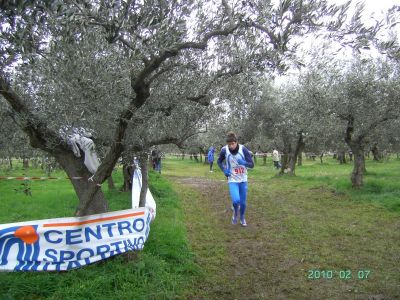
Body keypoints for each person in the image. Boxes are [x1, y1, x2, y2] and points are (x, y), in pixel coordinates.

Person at [217, 132, 254, 227]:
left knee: (243, 203)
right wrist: (224, 170)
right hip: (232, 179)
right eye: (229, 144)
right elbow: (219, 161)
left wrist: (244, 163)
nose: (231, 146)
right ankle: (235, 213)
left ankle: (242, 218)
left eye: (233, 144)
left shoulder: (243, 149)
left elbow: (252, 164)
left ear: (236, 142)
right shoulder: (224, 150)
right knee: (236, 201)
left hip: (243, 179)